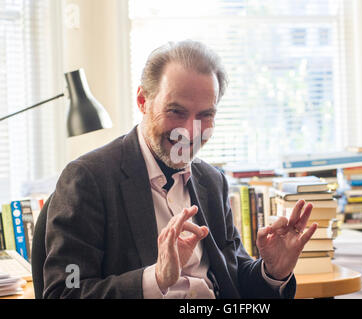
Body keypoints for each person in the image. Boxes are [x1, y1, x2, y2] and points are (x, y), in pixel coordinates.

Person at [42, 40, 318, 299]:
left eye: (205, 115)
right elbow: (67, 289)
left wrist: (273, 272)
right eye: (176, 111)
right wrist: (156, 279)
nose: (189, 131)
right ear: (142, 101)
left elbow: (233, 279)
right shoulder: (88, 179)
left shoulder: (211, 181)